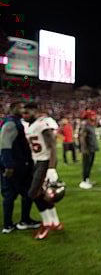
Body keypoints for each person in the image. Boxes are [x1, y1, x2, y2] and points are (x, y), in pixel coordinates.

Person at [23, 102, 62, 239]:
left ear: (35, 111)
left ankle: (46, 223)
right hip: (37, 161)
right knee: (42, 194)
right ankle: (55, 222)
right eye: (23, 112)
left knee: (33, 193)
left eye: (27, 112)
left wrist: (51, 168)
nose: (25, 115)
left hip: (44, 162)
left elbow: (52, 145)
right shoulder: (29, 125)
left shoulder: (42, 123)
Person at [0, 101, 40, 234]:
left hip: (15, 164)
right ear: (12, 109)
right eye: (20, 108)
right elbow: (5, 145)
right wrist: (8, 165)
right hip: (16, 166)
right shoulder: (11, 123)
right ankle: (23, 220)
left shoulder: (13, 122)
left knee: (11, 195)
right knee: (24, 192)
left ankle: (8, 224)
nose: (23, 110)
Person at [78, 110, 98, 189]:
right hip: (87, 149)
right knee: (86, 165)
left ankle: (87, 179)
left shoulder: (90, 124)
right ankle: (83, 181)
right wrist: (84, 149)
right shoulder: (85, 125)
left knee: (89, 165)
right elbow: (82, 138)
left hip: (91, 148)